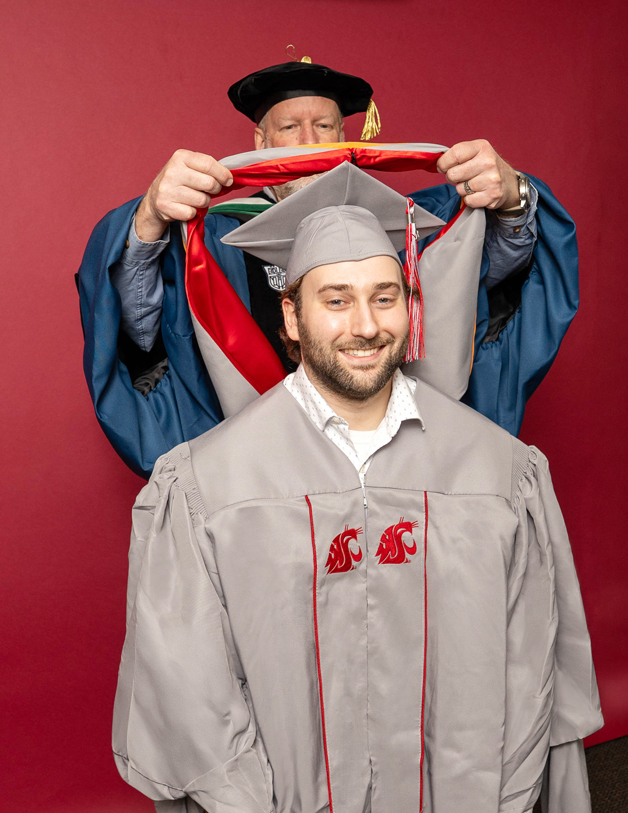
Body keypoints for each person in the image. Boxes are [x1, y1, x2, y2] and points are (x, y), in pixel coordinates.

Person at [113, 164, 601, 813]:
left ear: (410, 303)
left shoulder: (499, 471)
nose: (365, 325)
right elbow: (187, 694)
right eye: (336, 299)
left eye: (384, 295)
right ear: (291, 315)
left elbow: (535, 674)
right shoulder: (208, 483)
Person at [78, 57, 578, 478]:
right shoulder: (213, 239)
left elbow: (492, 282)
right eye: (291, 127)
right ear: (260, 142)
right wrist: (148, 218)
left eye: (325, 127)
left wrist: (512, 197)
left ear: (345, 135)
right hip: (264, 480)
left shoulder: (404, 223)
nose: (311, 142)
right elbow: (137, 329)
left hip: (399, 474)